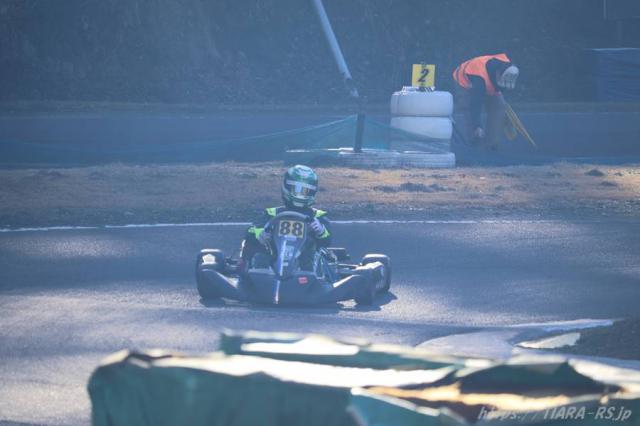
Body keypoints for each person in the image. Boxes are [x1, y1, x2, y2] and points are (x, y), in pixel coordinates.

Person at [239, 165, 331, 270]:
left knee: (314, 250)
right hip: (273, 257)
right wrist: (261, 233)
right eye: (296, 189)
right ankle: (256, 272)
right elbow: (251, 230)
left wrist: (321, 231)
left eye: (305, 191)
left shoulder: (317, 216)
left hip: (304, 262)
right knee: (257, 250)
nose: (300, 194)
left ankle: (310, 274)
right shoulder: (272, 213)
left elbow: (327, 241)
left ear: (312, 192)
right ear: (287, 187)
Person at [452, 53, 519, 149]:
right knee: (467, 107)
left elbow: (499, 89)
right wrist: (477, 125)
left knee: (499, 107)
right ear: (497, 75)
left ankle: (491, 143)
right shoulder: (478, 79)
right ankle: (474, 140)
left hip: (489, 82)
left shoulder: (507, 66)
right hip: (464, 81)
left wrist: (502, 108)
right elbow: (475, 104)